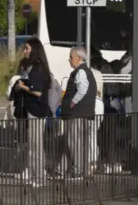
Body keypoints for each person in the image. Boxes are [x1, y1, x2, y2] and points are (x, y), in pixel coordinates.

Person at [11, 37, 53, 185]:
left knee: (36, 145)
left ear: (34, 50)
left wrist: (23, 87)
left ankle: (40, 177)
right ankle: (33, 173)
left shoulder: (38, 68)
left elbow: (38, 92)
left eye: (27, 48)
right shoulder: (29, 67)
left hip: (36, 109)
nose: (24, 51)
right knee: (32, 144)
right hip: (29, 108)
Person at [61, 46, 98, 177]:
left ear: (78, 58)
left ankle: (78, 169)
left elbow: (83, 88)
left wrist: (72, 102)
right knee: (80, 142)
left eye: (71, 57)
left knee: (74, 141)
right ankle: (81, 168)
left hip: (77, 113)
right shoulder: (86, 71)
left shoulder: (81, 71)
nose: (69, 60)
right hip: (84, 113)